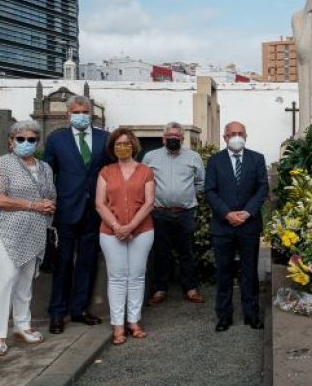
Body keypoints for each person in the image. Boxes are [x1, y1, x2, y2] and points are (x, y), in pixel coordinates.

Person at [0, 121, 56, 355]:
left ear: (37, 143)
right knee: (7, 276)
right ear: (11, 141)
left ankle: (22, 325)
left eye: (31, 139)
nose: (26, 143)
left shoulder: (44, 168)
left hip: (33, 230)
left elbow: (50, 194)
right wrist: (33, 205)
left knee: (26, 279)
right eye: (20, 139)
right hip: (3, 228)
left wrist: (49, 205)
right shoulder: (0, 165)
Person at [43, 95, 110, 334]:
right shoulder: (56, 139)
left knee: (87, 262)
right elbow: (47, 174)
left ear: (90, 113)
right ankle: (57, 313)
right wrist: (48, 202)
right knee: (63, 262)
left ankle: (80, 309)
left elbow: (110, 172)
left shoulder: (105, 138)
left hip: (95, 210)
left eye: (84, 111)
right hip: (66, 210)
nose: (81, 115)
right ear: (68, 114)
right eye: (76, 111)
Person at [204, 121, 269, 332]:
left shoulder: (257, 159)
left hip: (249, 226)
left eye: (240, 133)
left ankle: (252, 315)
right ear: (225, 137)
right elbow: (210, 190)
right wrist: (226, 214)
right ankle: (224, 317)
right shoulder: (215, 161)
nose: (236, 136)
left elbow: (262, 188)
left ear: (246, 136)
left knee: (249, 272)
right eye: (232, 134)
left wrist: (247, 212)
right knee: (224, 272)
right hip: (223, 227)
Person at [95, 128, 155, 345]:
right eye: (118, 144)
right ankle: (118, 326)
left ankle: (134, 321)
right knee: (118, 277)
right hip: (111, 233)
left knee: (137, 276)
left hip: (142, 231)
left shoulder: (146, 171)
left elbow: (149, 202)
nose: (123, 147)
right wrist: (117, 226)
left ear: (134, 146)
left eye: (127, 143)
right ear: (112, 147)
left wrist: (130, 226)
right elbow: (100, 203)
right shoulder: (106, 172)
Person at [142, 122, 206, 305]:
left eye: (177, 136)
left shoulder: (193, 157)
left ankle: (191, 289)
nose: (173, 139)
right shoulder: (150, 157)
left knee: (188, 252)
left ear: (182, 138)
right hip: (159, 213)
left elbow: (201, 182)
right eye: (170, 136)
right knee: (161, 252)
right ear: (163, 138)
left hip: (185, 213)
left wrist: (188, 196)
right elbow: (142, 182)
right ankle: (160, 289)